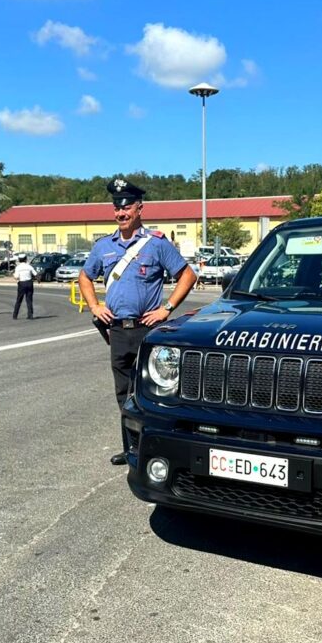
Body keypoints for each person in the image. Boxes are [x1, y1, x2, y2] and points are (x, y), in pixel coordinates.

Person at [79, 178, 197, 465]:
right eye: (116, 208)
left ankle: (159, 448)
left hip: (149, 329)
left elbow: (188, 276)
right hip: (118, 330)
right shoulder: (103, 246)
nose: (121, 213)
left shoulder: (156, 244)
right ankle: (130, 448)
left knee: (156, 390)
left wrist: (166, 308)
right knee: (124, 392)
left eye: (127, 207)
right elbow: (85, 276)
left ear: (139, 208)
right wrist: (95, 305)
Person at [12, 253, 38, 320]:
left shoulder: (18, 267)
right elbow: (35, 274)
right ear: (26, 259)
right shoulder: (29, 266)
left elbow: (17, 277)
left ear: (19, 260)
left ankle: (15, 315)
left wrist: (13, 275)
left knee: (19, 300)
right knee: (29, 300)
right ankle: (30, 315)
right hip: (29, 283)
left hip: (21, 284)